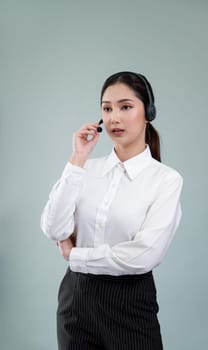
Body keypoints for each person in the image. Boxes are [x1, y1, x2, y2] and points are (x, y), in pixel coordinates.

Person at [40, 71, 183, 350]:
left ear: (148, 112)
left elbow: (144, 255)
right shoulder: (85, 170)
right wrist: (78, 157)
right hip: (75, 301)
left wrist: (76, 255)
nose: (114, 117)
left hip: (129, 303)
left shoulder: (165, 180)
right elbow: (54, 228)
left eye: (125, 107)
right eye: (107, 108)